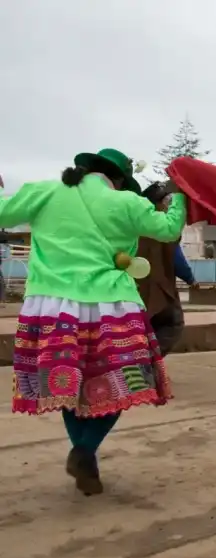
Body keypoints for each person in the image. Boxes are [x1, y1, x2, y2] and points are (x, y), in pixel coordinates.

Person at [4, 148, 185, 495]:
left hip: (51, 307)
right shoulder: (126, 202)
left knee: (68, 385)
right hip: (111, 306)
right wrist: (180, 198)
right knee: (127, 382)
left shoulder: (44, 191)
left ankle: (84, 457)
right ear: (117, 179)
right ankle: (85, 451)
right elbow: (168, 229)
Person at [136, 182, 197, 356]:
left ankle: (142, 364)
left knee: (144, 328)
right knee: (173, 324)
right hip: (161, 288)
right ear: (161, 203)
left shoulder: (136, 223)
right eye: (167, 200)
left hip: (136, 289)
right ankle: (147, 362)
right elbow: (176, 258)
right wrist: (190, 279)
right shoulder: (163, 225)